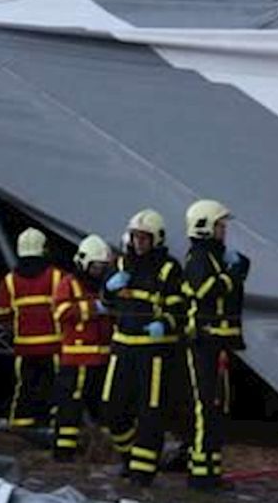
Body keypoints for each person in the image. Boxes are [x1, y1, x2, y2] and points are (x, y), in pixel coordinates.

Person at [100, 209, 185, 487]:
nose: (139, 243)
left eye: (144, 238)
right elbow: (106, 302)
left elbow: (180, 310)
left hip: (154, 352)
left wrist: (164, 323)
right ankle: (129, 458)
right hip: (122, 347)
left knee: (151, 412)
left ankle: (142, 473)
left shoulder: (169, 269)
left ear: (156, 239)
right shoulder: (121, 263)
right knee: (112, 410)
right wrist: (110, 289)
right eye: (135, 237)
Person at [181, 200, 249, 490]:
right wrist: (232, 274)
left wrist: (239, 268)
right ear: (206, 227)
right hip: (203, 343)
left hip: (219, 343)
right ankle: (200, 474)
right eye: (220, 226)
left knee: (217, 408)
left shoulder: (217, 258)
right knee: (205, 407)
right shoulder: (198, 258)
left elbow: (228, 293)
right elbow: (205, 290)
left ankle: (211, 470)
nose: (224, 231)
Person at [0, 228, 64, 430]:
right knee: (54, 388)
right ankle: (53, 425)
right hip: (53, 348)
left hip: (24, 349)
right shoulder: (57, 277)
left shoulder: (10, 280)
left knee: (25, 388)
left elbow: (0, 310)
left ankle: (20, 427)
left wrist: (13, 330)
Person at [51, 235, 114, 461]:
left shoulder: (106, 287)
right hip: (76, 360)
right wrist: (93, 308)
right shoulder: (68, 284)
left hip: (102, 359)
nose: (98, 271)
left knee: (103, 407)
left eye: (102, 267)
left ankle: (102, 451)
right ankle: (63, 452)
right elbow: (61, 312)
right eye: (96, 267)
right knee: (70, 407)